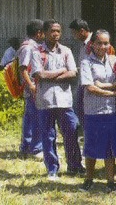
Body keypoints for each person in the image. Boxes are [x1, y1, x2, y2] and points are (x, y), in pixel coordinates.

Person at [30, 19, 83, 180]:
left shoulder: (66, 51)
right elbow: (39, 74)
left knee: (71, 132)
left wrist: (50, 76)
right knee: (48, 135)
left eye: (58, 31)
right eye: (52, 31)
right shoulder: (37, 52)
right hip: (45, 100)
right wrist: (61, 71)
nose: (56, 34)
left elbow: (73, 73)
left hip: (64, 100)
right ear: (45, 32)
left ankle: (75, 166)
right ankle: (52, 169)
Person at [79, 30, 116, 193]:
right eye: (99, 43)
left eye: (106, 43)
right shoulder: (86, 62)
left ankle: (110, 182)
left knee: (110, 148)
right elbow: (89, 87)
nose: (102, 46)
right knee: (91, 147)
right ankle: (88, 179)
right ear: (92, 44)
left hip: (111, 111)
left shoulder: (115, 61)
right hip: (93, 111)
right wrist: (111, 93)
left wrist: (104, 86)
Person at [17, 20, 44, 158]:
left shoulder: (30, 45)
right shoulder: (28, 47)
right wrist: (31, 85)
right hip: (32, 87)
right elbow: (23, 68)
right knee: (37, 118)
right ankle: (36, 148)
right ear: (38, 33)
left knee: (30, 118)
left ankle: (26, 146)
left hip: (31, 88)